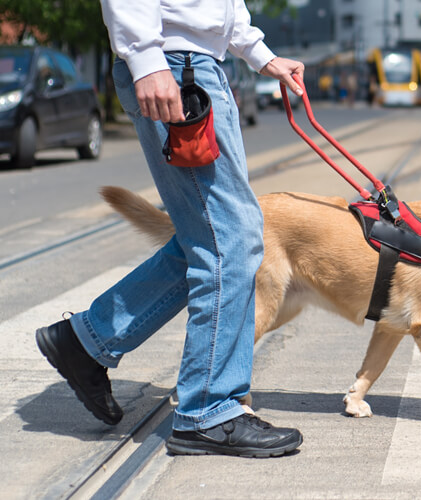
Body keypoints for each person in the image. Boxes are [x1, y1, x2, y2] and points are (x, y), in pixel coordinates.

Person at [34, 0, 306, 458]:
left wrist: (258, 52)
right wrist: (146, 58)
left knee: (216, 237)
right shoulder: (161, 61)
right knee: (231, 240)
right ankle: (208, 411)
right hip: (176, 69)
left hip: (197, 67)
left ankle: (86, 341)